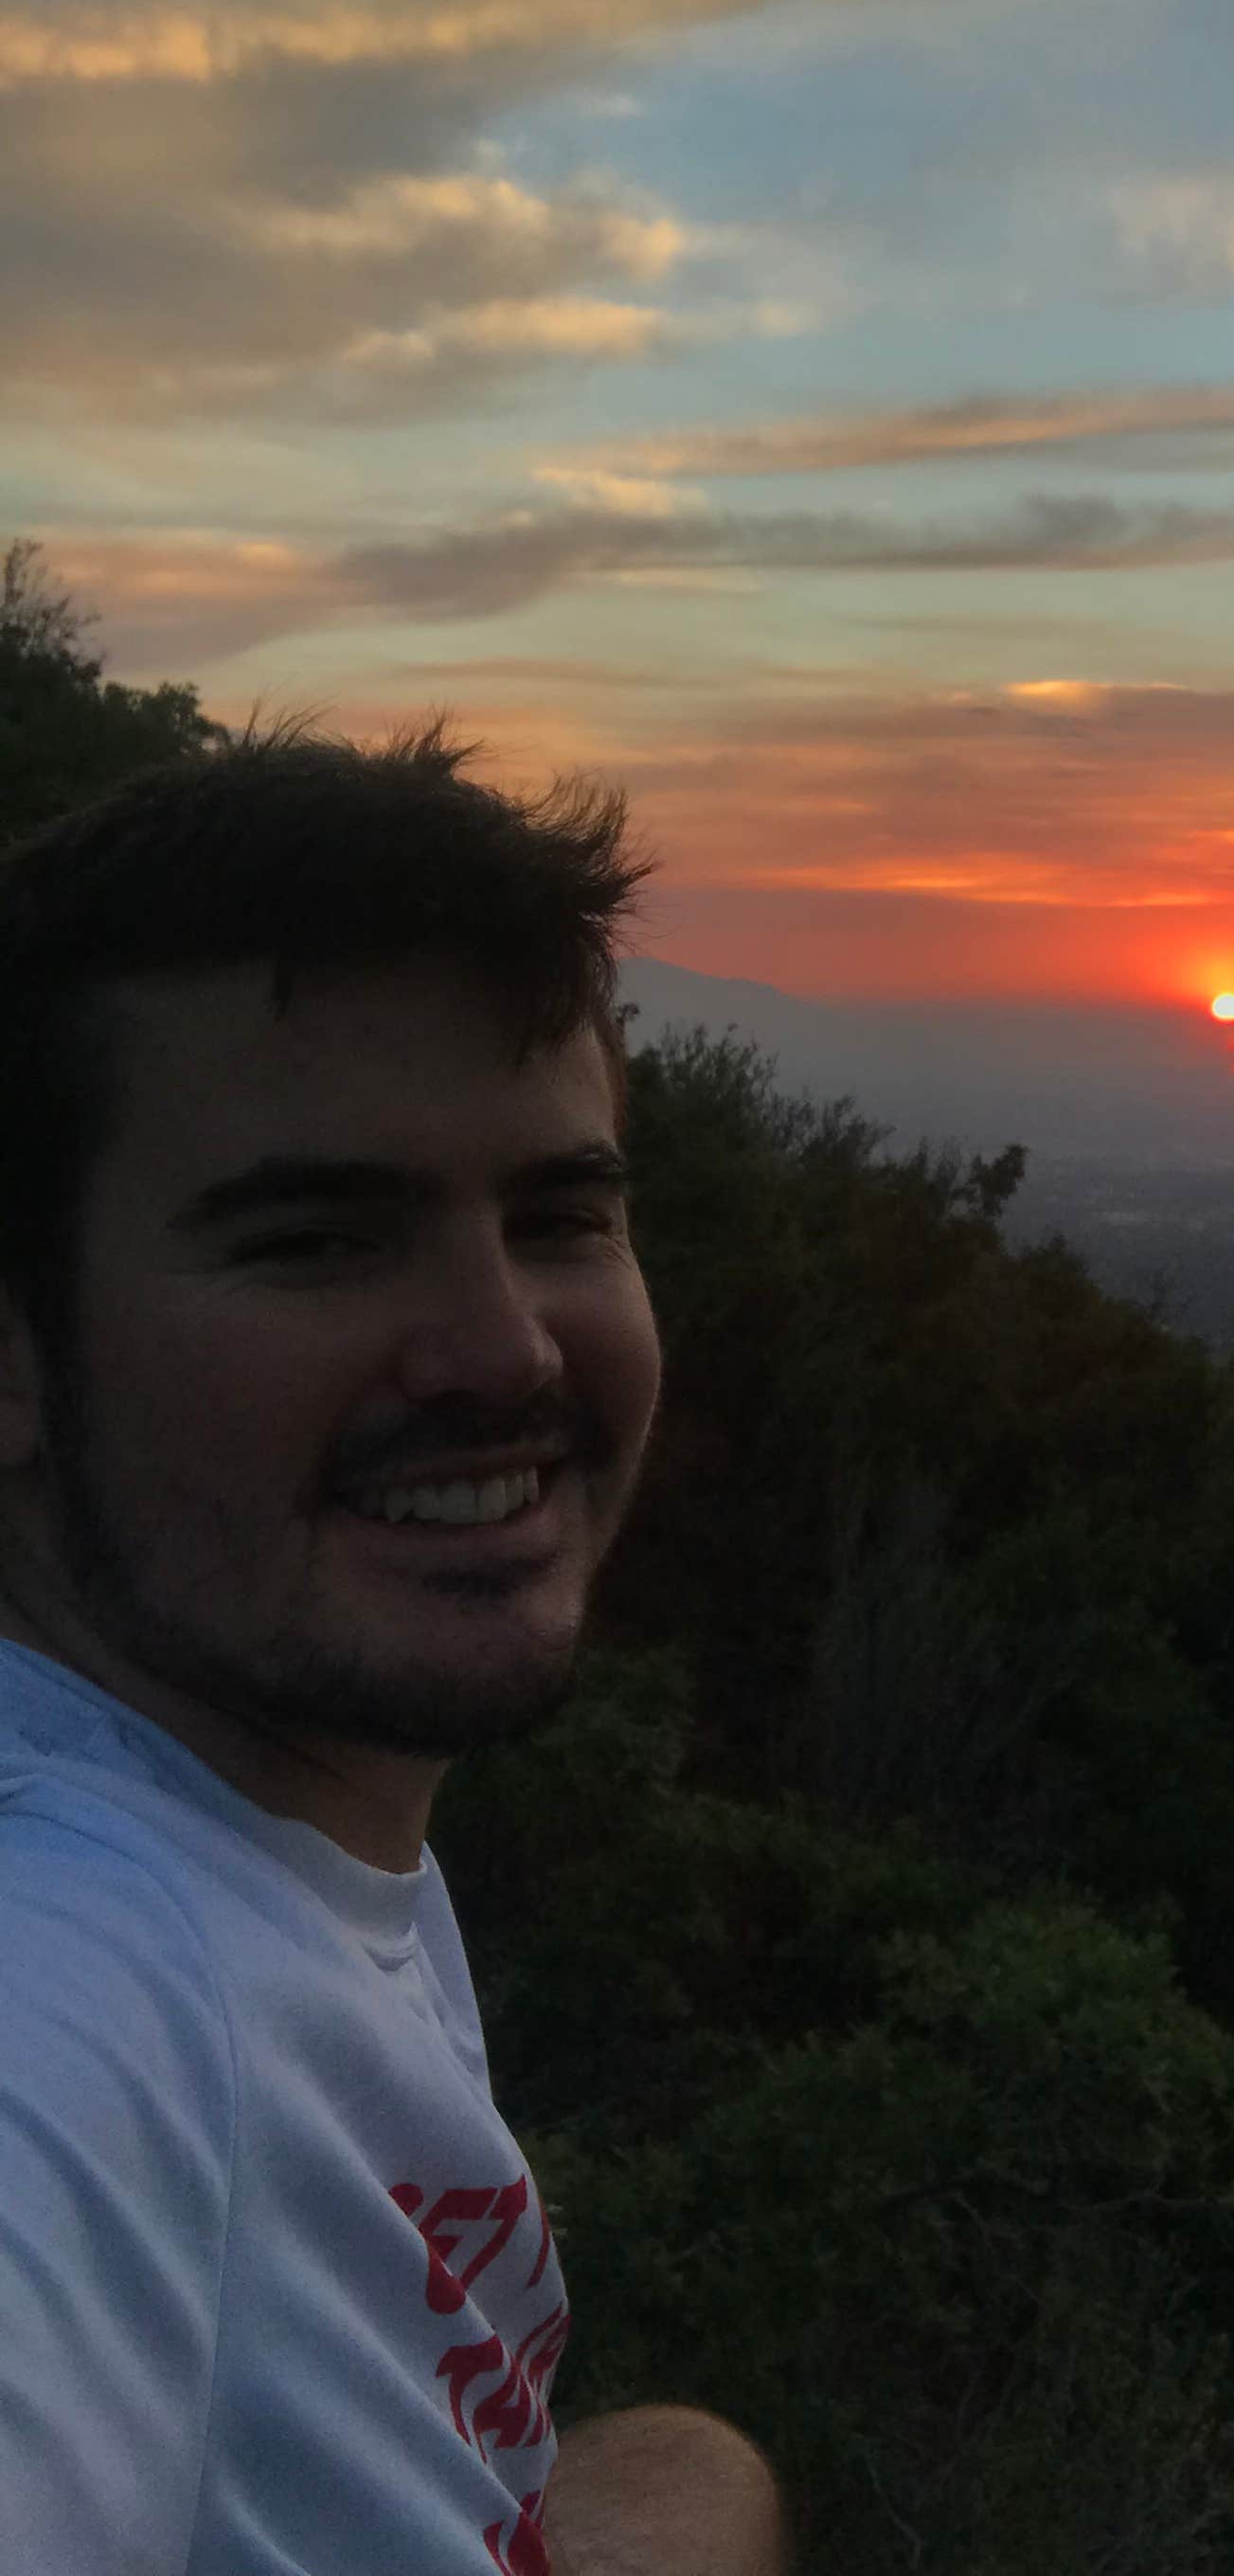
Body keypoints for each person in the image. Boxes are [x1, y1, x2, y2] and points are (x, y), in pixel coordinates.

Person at [0, 722, 785, 2575]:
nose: (502, 1345)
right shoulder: (78, 1988)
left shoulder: (250, 1844)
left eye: (558, 1215)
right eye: (320, 1236)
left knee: (684, 2460)